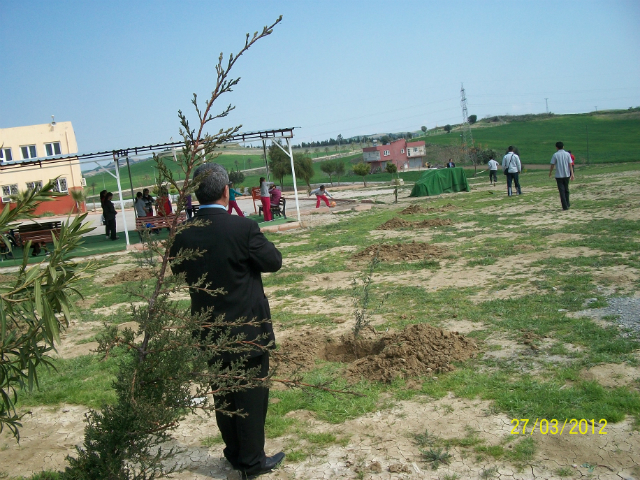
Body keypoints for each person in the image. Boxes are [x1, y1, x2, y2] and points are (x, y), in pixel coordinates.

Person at [170, 163, 284, 478]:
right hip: (248, 329)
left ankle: (234, 454)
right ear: (225, 191)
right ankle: (251, 463)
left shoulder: (182, 233)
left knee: (223, 393)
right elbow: (273, 261)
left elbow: (179, 274)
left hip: (209, 329)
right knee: (250, 393)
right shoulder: (243, 228)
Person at [549, 141, 575, 210]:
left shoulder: (555, 155)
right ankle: (568, 203)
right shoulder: (567, 154)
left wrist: (550, 172)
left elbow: (552, 165)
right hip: (566, 174)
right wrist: (572, 174)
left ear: (556, 148)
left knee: (561, 191)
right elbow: (570, 164)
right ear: (563, 147)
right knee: (566, 189)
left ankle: (564, 206)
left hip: (559, 175)